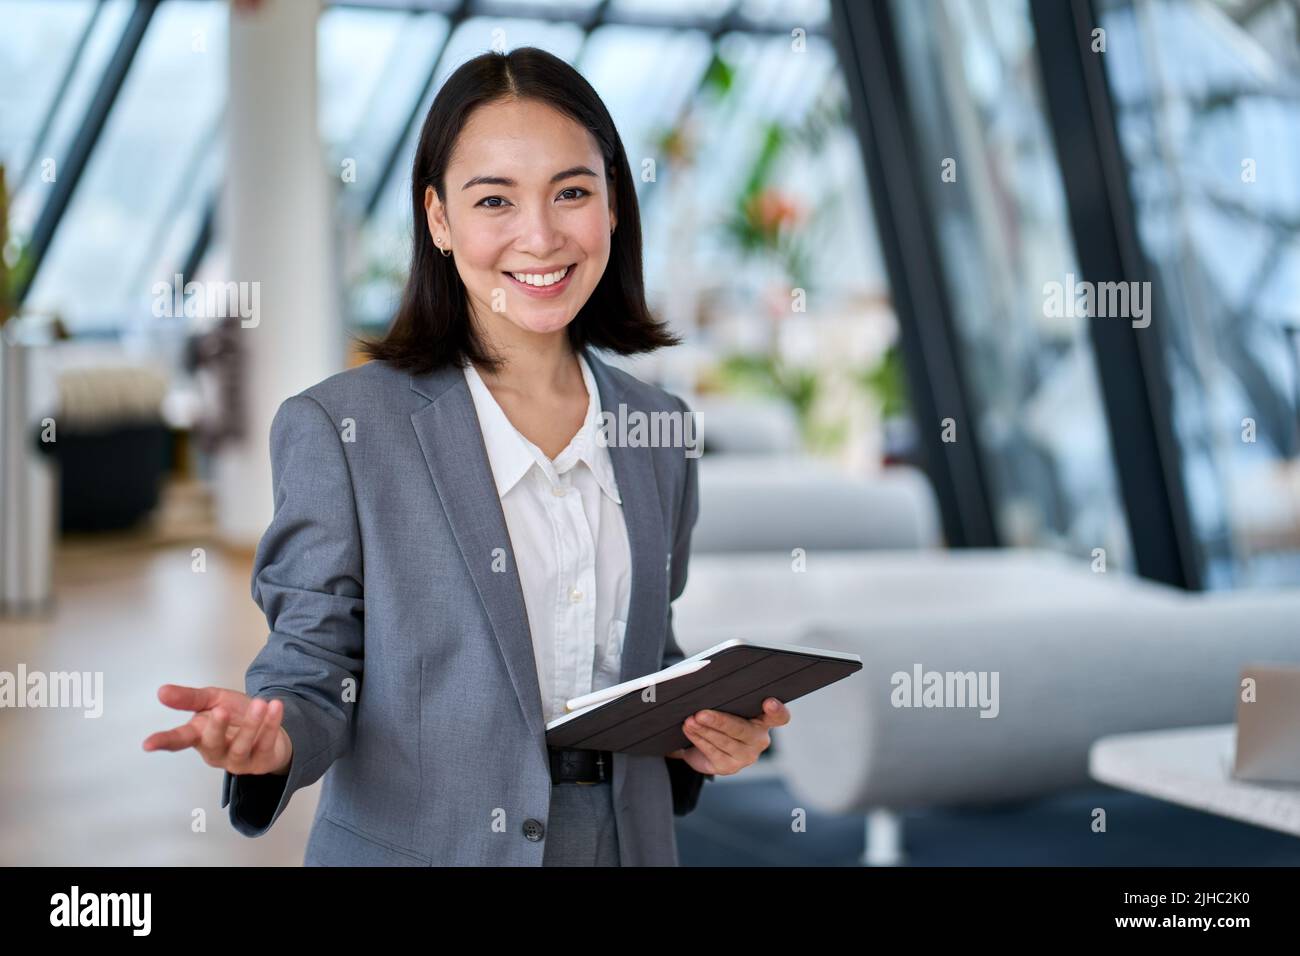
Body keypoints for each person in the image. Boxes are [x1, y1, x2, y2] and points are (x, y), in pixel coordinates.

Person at [143, 46, 790, 866]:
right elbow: (313, 666)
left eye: (573, 192)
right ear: (439, 219)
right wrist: (271, 741)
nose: (542, 235)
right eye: (495, 200)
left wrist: (701, 733)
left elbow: (641, 655)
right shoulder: (343, 429)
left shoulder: (657, 428)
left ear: (614, 205)